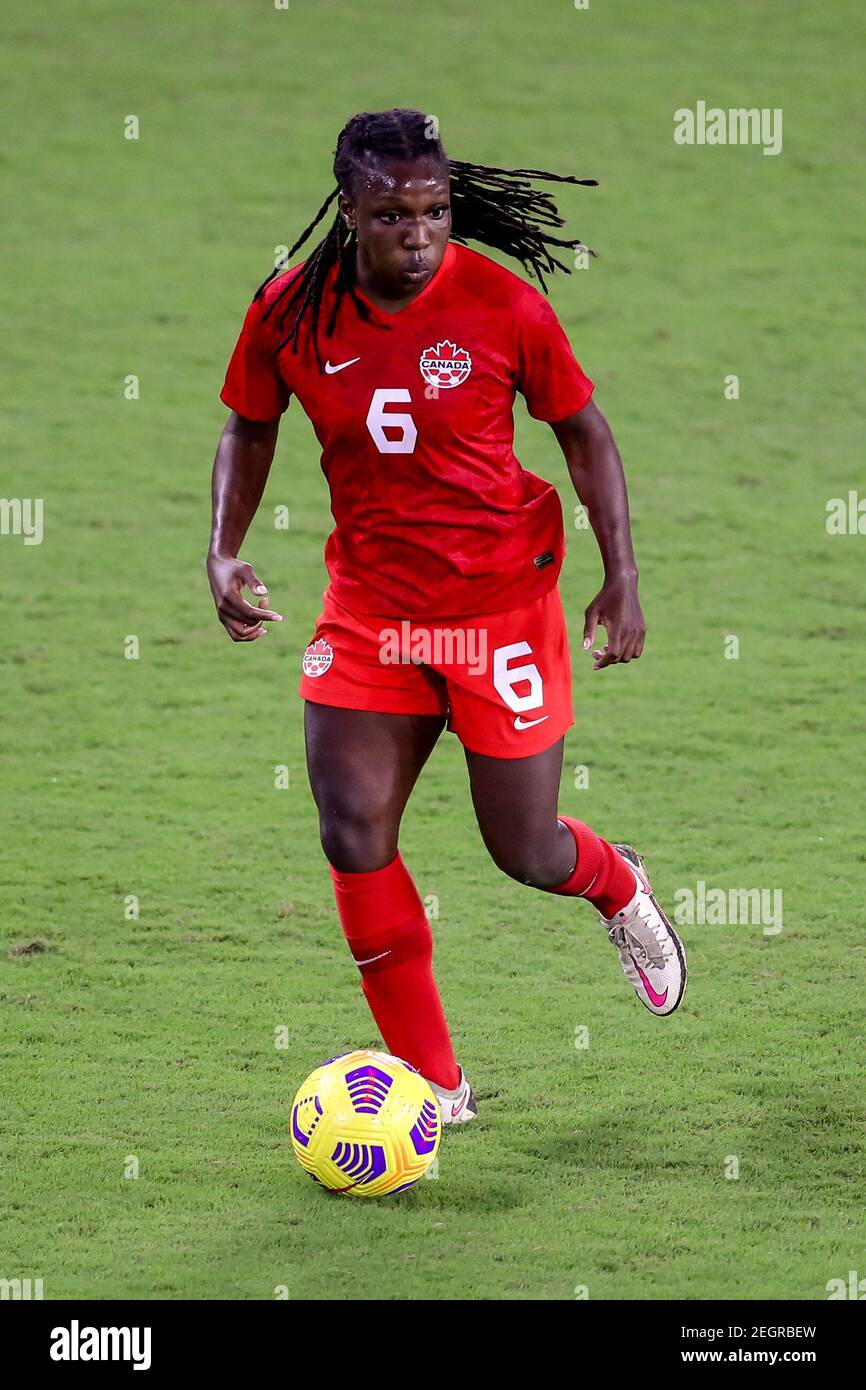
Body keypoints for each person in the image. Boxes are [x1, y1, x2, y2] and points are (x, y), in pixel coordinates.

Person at [208, 108, 686, 1126]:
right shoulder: (289, 314)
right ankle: (435, 1081)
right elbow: (249, 425)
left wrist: (621, 573)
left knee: (523, 850)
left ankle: (613, 883)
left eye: (434, 211)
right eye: (391, 215)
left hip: (497, 607)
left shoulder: (501, 306)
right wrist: (223, 546)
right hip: (371, 612)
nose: (419, 234)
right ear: (349, 212)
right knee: (349, 829)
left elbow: (583, 432)